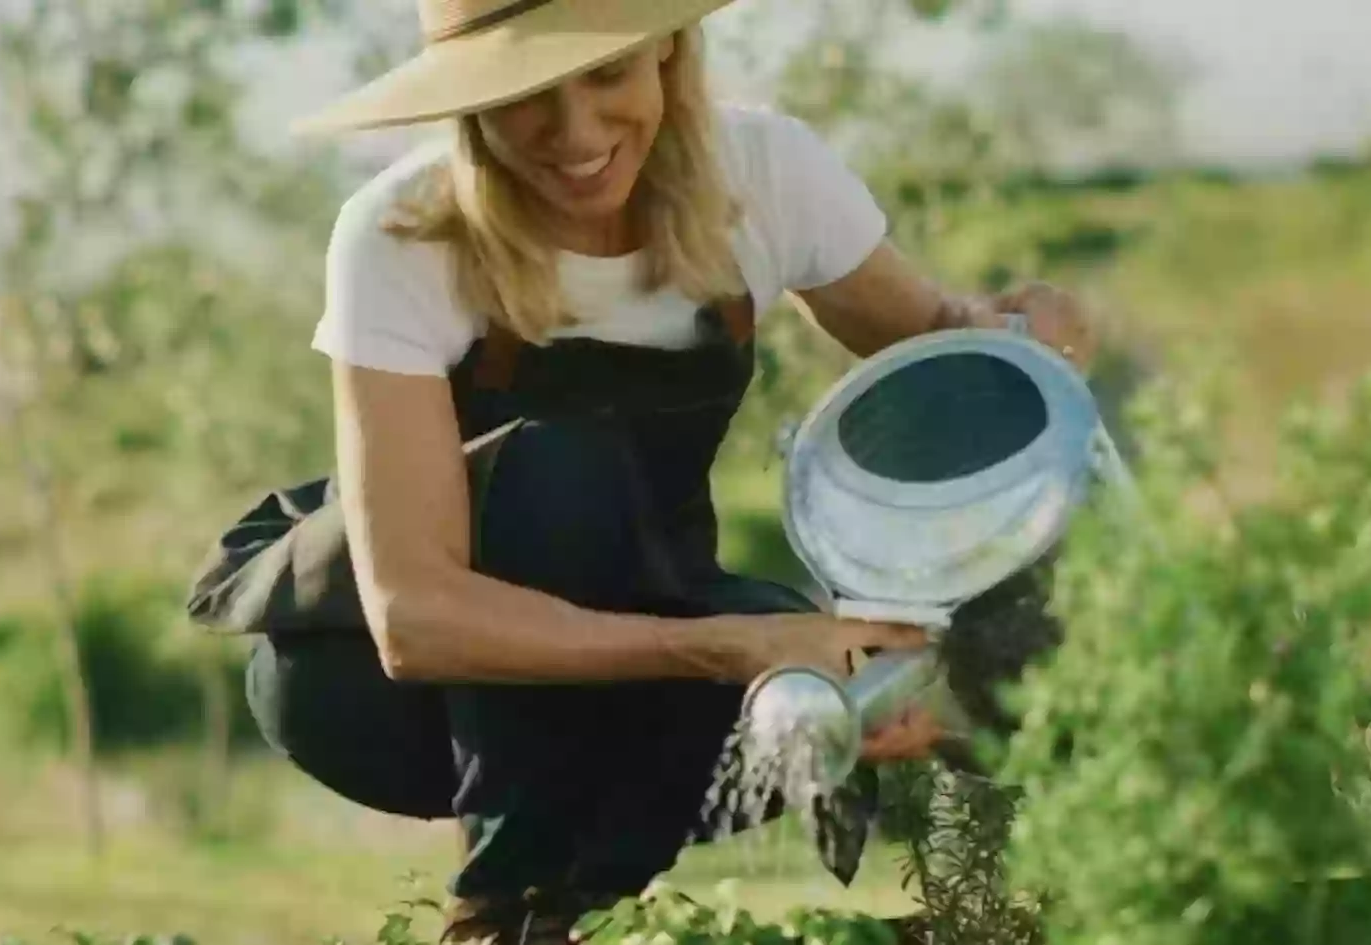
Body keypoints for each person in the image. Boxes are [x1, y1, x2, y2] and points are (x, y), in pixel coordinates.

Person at [186, 0, 1097, 941]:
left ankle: (601, 910)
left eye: (607, 74)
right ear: (467, 105)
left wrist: (1031, 337)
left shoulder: (766, 173)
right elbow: (414, 619)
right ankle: (504, 909)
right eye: (525, 96)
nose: (575, 133)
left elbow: (950, 358)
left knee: (817, 686)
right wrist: (725, 647)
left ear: (668, 47)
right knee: (560, 468)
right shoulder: (402, 236)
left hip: (648, 617)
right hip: (384, 696)